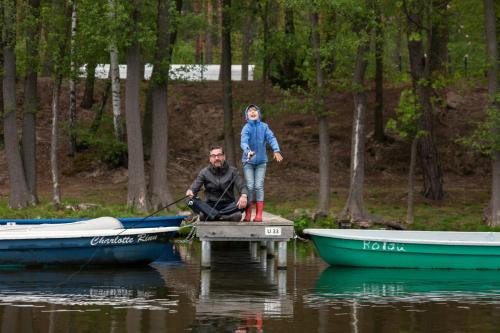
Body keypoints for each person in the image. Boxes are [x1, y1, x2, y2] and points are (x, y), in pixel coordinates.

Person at [240, 104, 283, 222]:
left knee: (258, 186)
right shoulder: (246, 128)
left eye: (255, 110)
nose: (252, 112)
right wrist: (248, 151)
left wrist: (276, 149)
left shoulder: (264, 127)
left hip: (261, 162)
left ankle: (259, 215)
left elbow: (271, 138)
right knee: (249, 186)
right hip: (248, 161)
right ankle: (248, 214)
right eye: (250, 111)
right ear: (247, 115)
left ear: (259, 114)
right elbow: (243, 142)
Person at [186, 145, 248, 221]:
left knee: (248, 200)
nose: (217, 158)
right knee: (190, 201)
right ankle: (223, 217)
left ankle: (211, 216)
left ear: (224, 157)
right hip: (210, 206)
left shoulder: (232, 171)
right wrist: (190, 191)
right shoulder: (204, 172)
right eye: (213, 156)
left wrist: (244, 196)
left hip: (229, 206)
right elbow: (195, 186)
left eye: (219, 155)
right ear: (210, 159)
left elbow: (242, 185)